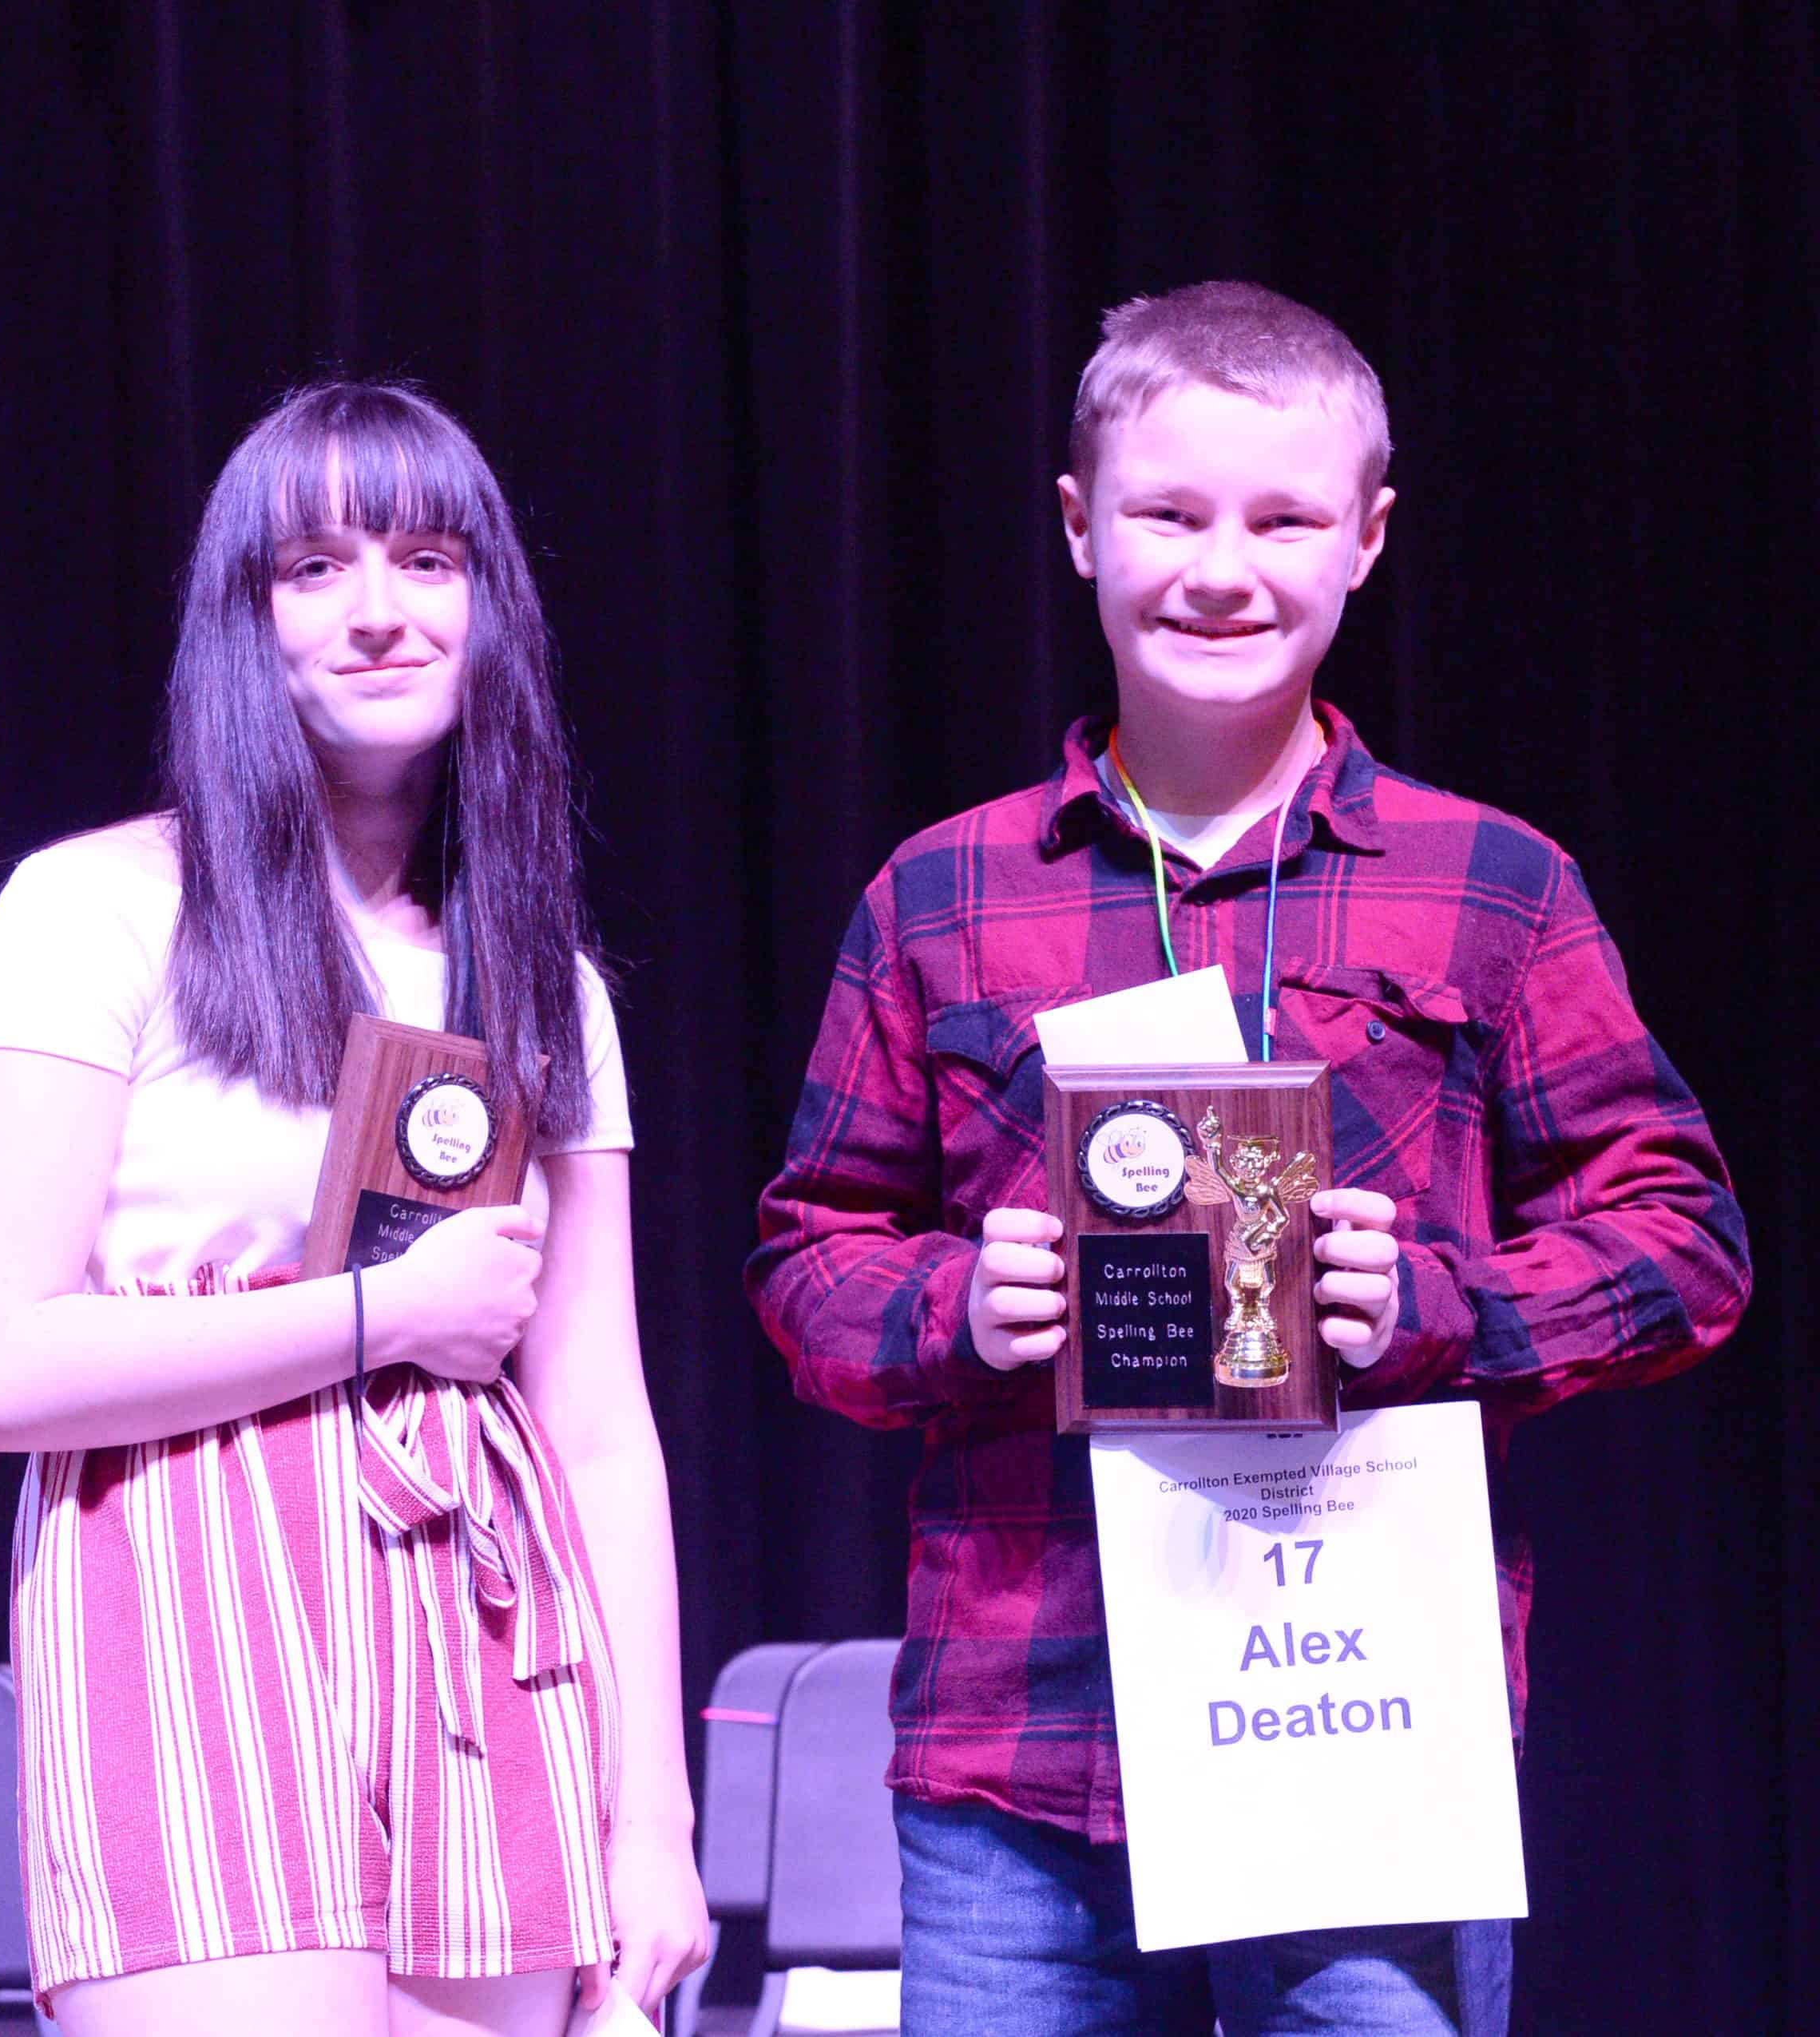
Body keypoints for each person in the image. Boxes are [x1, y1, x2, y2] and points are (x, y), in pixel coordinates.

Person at [746, 282, 1750, 2035]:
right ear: (1077, 527)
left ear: (1363, 541)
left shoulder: (1489, 885)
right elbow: (803, 1258)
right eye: (1167, 513)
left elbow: (1682, 1237)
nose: (1223, 568)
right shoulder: (937, 894)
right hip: (1020, 1744)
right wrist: (955, 1305)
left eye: (1283, 519)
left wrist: (1439, 1303)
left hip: (1356, 1724)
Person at [0, 382, 708, 2037]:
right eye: (315, 567)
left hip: (483, 1636)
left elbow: (600, 1422)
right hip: (184, 1599)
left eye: (427, 559)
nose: (377, 611)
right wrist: (372, 1318)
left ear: (490, 604)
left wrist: (654, 1820)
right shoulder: (97, 909)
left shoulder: (541, 980)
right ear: (243, 618)